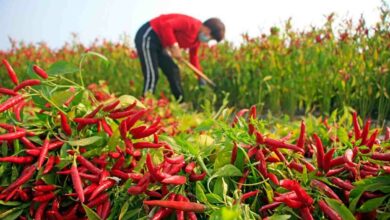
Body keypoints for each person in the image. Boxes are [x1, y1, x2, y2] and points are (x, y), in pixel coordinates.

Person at [134, 13, 225, 101]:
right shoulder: (191, 24)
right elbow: (166, 26)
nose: (208, 40)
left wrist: (200, 77)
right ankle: (145, 104)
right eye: (211, 37)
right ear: (207, 29)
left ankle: (180, 102)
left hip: (161, 45)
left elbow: (193, 58)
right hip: (149, 35)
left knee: (173, 70)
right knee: (152, 74)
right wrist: (174, 45)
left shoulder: (196, 41)